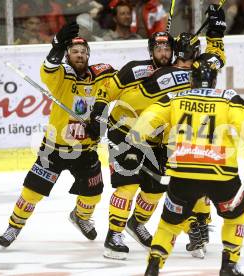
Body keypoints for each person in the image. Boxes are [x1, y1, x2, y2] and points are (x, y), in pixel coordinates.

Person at [86, 4, 227, 260]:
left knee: (154, 190)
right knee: (128, 186)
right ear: (151, 51)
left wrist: (215, 35)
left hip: (155, 140)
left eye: (167, 48)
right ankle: (113, 235)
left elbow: (213, 62)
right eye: (158, 48)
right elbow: (110, 89)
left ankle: (137, 223)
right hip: (125, 133)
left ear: (175, 52)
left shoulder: (177, 72)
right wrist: (98, 110)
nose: (163, 52)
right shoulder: (151, 72)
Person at [126, 58, 244, 276]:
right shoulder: (228, 97)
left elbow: (148, 118)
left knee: (169, 224)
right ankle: (229, 266)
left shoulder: (175, 97)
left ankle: (154, 264)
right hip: (221, 174)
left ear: (191, 79)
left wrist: (134, 141)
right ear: (213, 80)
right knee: (235, 217)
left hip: (183, 173)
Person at [0, 22, 116, 248]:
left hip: (86, 150)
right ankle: (13, 227)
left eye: (83, 52)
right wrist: (56, 47)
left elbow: (123, 86)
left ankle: (80, 216)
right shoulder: (62, 75)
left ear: (88, 55)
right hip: (54, 149)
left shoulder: (103, 74)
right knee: (32, 192)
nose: (79, 55)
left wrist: (100, 123)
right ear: (68, 55)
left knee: (93, 194)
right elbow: (49, 67)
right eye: (74, 52)